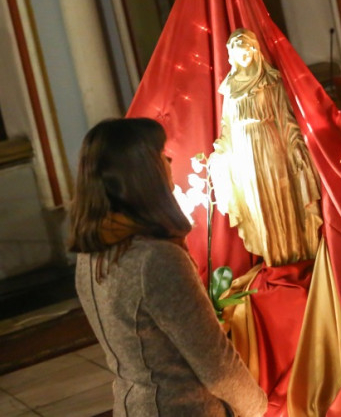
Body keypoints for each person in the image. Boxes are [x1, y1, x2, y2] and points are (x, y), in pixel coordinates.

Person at [70, 117, 267, 417]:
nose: (169, 161)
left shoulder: (91, 254)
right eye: (161, 155)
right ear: (142, 174)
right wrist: (257, 408)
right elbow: (216, 365)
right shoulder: (155, 259)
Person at [209, 28, 321, 266]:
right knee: (258, 204)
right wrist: (220, 150)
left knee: (279, 195)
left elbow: (285, 118)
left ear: (255, 50)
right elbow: (227, 126)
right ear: (232, 55)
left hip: (270, 147)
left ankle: (292, 253)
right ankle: (273, 259)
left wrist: (295, 145)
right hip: (244, 155)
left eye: (248, 50)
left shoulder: (270, 81)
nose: (244, 55)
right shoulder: (229, 88)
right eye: (239, 52)